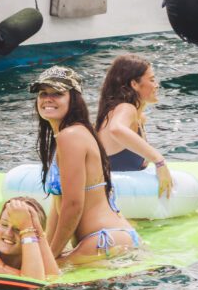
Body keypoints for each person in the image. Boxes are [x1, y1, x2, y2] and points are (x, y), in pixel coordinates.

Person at [29, 65, 141, 264]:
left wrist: (50, 258)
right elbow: (59, 204)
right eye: (43, 93)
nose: (48, 99)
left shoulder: (70, 136)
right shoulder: (72, 134)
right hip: (109, 238)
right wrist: (47, 248)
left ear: (73, 100)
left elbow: (73, 205)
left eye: (57, 94)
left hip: (103, 239)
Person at [96, 54, 173, 198]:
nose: (156, 85)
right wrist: (159, 161)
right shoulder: (126, 109)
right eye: (151, 79)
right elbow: (116, 129)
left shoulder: (131, 115)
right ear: (134, 84)